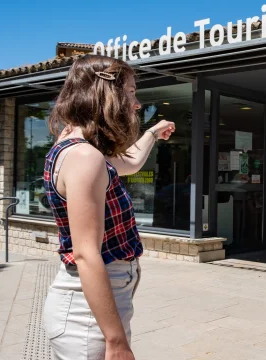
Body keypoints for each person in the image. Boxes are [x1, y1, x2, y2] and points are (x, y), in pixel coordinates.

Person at [42, 55, 175, 360]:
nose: (136, 103)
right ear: (105, 96)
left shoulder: (79, 150)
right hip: (87, 319)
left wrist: (153, 132)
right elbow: (87, 254)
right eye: (129, 93)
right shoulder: (84, 157)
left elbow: (129, 163)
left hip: (91, 309)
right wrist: (114, 341)